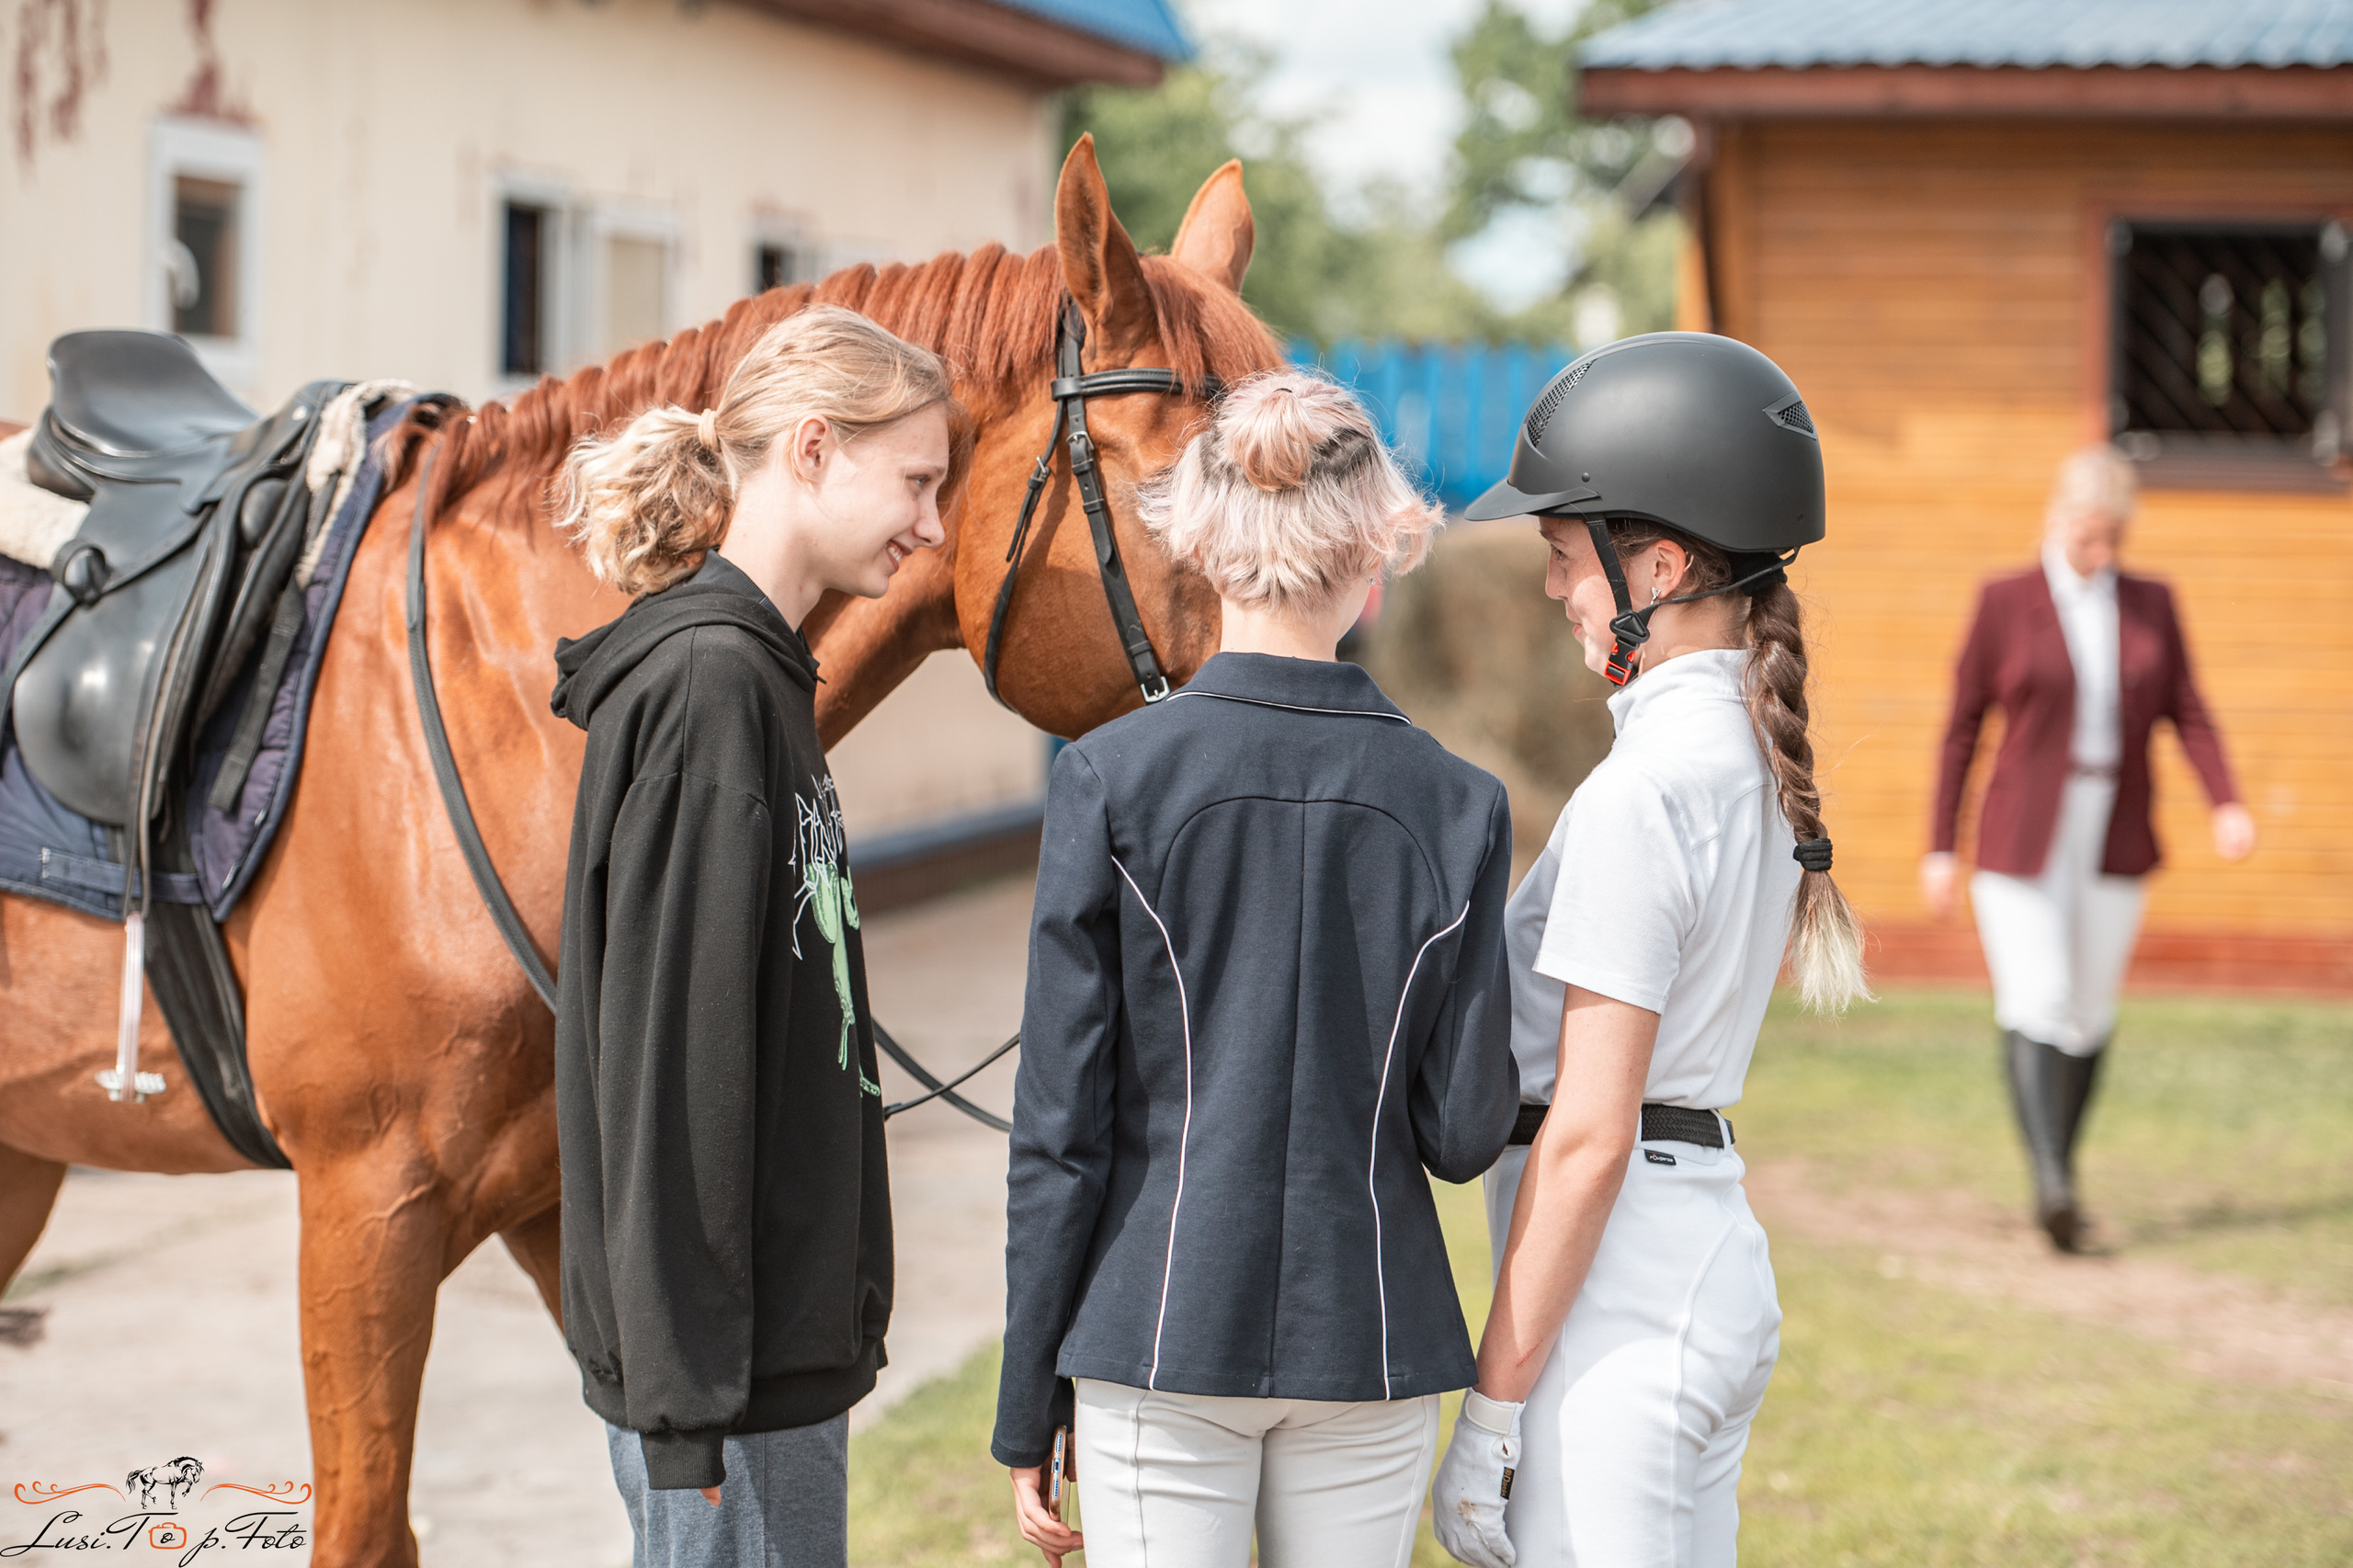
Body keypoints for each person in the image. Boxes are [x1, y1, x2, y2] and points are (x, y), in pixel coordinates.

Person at [993, 369, 1521, 1568]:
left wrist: (1029, 1396)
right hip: (1374, 1331)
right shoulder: (1463, 804)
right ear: (1376, 558)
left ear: (1202, 550)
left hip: (1157, 1323)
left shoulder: (1107, 776)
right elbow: (1460, 1129)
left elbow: (1062, 1131)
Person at [1431, 332, 1869, 1568]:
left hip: (1621, 1297)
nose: (1555, 589)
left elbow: (1585, 1130)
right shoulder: (1740, 760)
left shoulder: (1643, 794)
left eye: (1565, 557)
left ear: (1660, 564)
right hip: (1685, 1254)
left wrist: (1494, 1412)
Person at [548, 304, 970, 1568]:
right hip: (725, 1391)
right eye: (917, 480)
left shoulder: (758, 680)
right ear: (810, 449)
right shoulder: (710, 692)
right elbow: (672, 1078)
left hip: (761, 1366)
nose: (933, 523)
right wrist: (689, 1422)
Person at [1922, 445, 2252, 1252]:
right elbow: (1962, 727)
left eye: (2113, 537)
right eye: (2087, 533)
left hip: (2115, 825)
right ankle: (2054, 1185)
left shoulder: (2149, 603)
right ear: (2057, 516)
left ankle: (2059, 1176)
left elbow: (2188, 707)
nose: (2100, 552)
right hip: (2023, 832)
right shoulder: (2006, 601)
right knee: (2037, 994)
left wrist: (2226, 800)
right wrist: (1940, 846)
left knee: (2090, 1009)